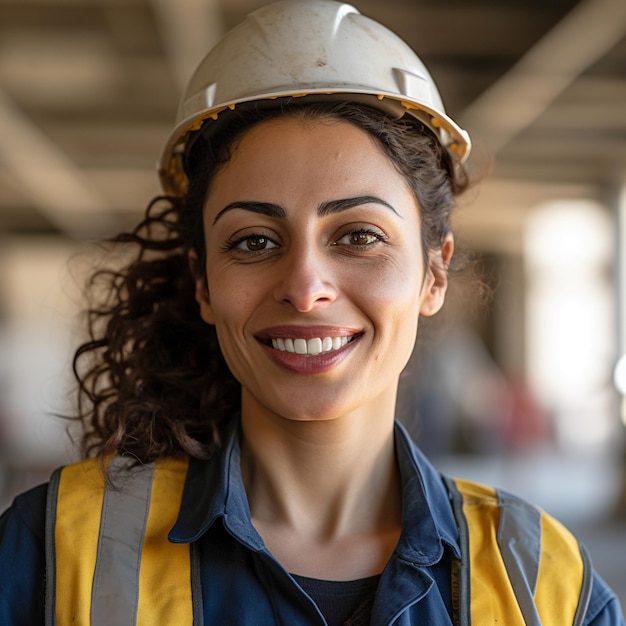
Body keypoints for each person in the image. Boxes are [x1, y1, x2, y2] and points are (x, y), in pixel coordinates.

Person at [0, 1, 623, 624]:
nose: (304, 288)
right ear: (203, 283)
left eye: (358, 236)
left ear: (434, 271)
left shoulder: (543, 583)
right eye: (254, 242)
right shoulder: (53, 552)